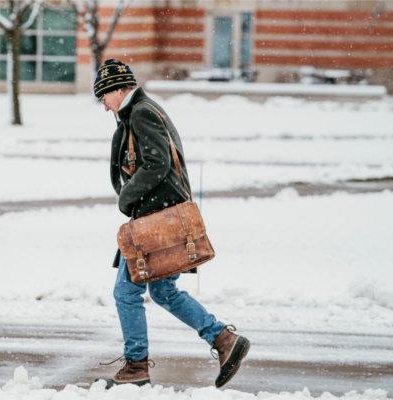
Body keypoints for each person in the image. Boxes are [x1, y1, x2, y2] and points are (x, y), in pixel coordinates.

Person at [94, 59, 250, 389]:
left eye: (104, 98)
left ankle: (137, 365)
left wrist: (127, 197)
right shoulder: (139, 111)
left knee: (125, 292)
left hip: (155, 220)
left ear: (118, 90)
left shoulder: (141, 112)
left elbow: (158, 163)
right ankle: (223, 339)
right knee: (163, 291)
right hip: (159, 216)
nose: (105, 107)